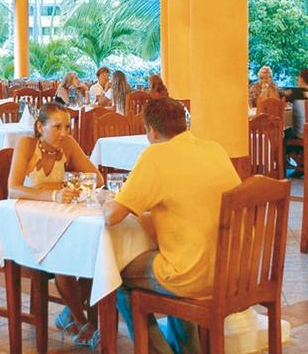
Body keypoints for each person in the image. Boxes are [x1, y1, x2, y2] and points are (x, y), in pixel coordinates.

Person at [103, 98, 241, 354]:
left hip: (193, 276)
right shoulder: (214, 149)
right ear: (183, 123)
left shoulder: (156, 155)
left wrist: (104, 200)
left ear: (152, 131)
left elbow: (112, 216)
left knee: (114, 274)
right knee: (175, 255)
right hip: (232, 270)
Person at [8, 102, 103, 347]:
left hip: (59, 221)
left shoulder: (67, 145)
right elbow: (13, 189)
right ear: (40, 127)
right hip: (27, 226)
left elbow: (97, 178)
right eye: (57, 127)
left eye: (67, 127)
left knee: (96, 251)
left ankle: (68, 315)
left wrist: (58, 187)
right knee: (63, 256)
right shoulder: (26, 145)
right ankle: (82, 322)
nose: (64, 133)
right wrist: (53, 193)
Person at [284, 68, 308, 140]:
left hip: (300, 133)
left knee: (281, 133)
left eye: (298, 77)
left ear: (302, 79)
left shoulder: (296, 92)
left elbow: (282, 97)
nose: (297, 79)